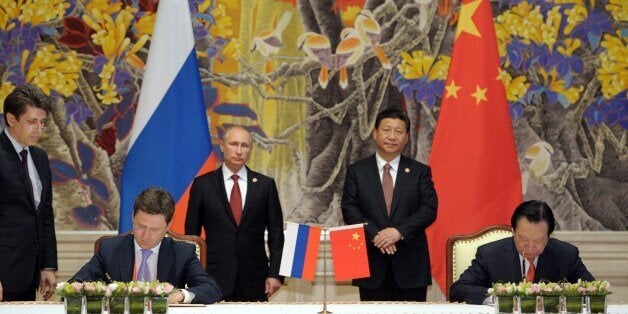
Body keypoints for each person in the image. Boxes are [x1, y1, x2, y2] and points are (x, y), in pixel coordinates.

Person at [341, 108, 438, 301]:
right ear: (375, 133)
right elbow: (349, 209)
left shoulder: (420, 172)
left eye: (399, 131)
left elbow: (429, 209)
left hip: (410, 266)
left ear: (407, 137)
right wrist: (377, 235)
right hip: (370, 264)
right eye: (386, 130)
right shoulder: (357, 171)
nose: (392, 136)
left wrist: (398, 232)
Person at [185, 125, 284, 301]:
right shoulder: (203, 185)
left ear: (250, 149)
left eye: (244, 145)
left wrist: (275, 274)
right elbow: (191, 236)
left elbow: (276, 234)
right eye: (234, 144)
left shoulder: (265, 185)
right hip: (213, 278)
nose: (239, 151)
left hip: (256, 278)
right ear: (222, 145)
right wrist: (193, 275)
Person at [73, 187, 222, 304]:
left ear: (168, 225)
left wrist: (180, 295)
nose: (146, 235)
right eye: (141, 226)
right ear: (132, 218)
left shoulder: (183, 253)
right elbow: (74, 285)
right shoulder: (109, 249)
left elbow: (211, 289)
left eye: (154, 229)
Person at [449, 200, 595, 304]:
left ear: (549, 235)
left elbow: (593, 291)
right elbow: (459, 289)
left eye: (538, 240)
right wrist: (497, 296)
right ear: (513, 231)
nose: (530, 247)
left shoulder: (566, 255)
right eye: (523, 238)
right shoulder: (490, 254)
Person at [0, 84, 57, 301]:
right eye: (31, 122)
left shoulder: (40, 157)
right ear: (11, 119)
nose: (38, 129)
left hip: (29, 274)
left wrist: (48, 265)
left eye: (42, 122)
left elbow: (45, 215)